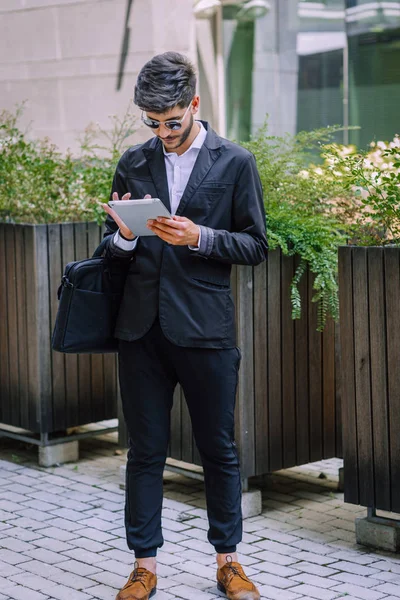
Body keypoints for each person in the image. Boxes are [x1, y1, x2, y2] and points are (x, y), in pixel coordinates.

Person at [101, 51, 268, 600]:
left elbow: (255, 245)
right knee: (144, 451)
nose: (163, 133)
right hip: (141, 331)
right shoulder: (133, 161)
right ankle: (143, 565)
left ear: (194, 105)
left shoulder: (234, 161)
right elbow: (113, 253)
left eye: (172, 122)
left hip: (205, 328)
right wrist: (124, 234)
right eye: (152, 123)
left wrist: (199, 237)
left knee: (218, 448)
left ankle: (229, 562)